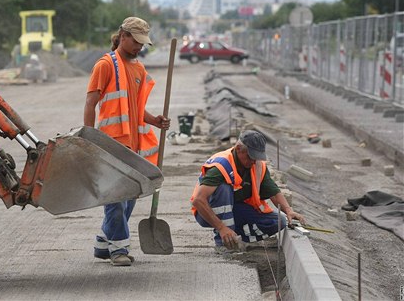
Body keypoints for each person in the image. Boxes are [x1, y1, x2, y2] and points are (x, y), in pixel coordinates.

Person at [84, 17, 170, 266]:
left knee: (130, 195)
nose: (140, 47)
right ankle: (119, 249)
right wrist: (87, 139)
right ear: (123, 36)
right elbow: (90, 103)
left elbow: (136, 108)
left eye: (143, 43)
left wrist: (155, 120)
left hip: (133, 145)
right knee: (115, 196)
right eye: (136, 41)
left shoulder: (139, 69)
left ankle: (103, 243)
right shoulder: (105, 65)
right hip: (110, 144)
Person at [190, 130, 306, 251]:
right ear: (238, 148)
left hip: (236, 210)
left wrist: (288, 210)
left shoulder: (257, 166)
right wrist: (221, 228)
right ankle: (224, 243)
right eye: (250, 156)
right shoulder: (221, 166)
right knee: (224, 188)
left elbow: (274, 193)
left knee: (279, 222)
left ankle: (238, 239)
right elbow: (198, 200)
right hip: (207, 213)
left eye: (257, 157)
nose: (254, 161)